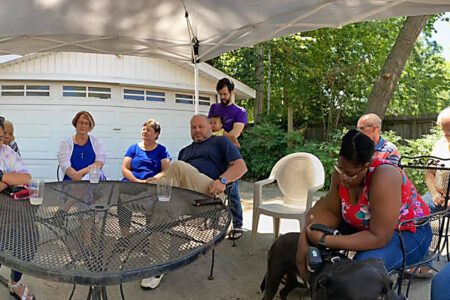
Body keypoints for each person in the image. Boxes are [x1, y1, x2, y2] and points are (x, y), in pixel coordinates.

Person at [295, 129, 431, 284]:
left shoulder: (384, 176)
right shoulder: (341, 172)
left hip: (408, 231)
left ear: (366, 167)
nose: (343, 178)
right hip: (366, 227)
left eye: (351, 174)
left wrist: (325, 240)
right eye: (340, 169)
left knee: (363, 268)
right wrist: (304, 238)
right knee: (311, 235)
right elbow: (327, 211)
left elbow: (379, 237)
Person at [120, 119, 171, 290]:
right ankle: (125, 237)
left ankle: (151, 238)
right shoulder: (133, 148)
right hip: (132, 183)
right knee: (121, 199)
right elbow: (125, 168)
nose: (145, 132)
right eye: (143, 129)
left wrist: (153, 179)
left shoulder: (162, 150)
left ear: (156, 134)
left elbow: (166, 171)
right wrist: (134, 180)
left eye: (149, 130)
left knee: (154, 205)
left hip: (151, 186)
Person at [165, 114, 247, 200]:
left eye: (201, 127)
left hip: (211, 190)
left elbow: (241, 166)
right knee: (154, 183)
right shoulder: (184, 151)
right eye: (193, 127)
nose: (197, 130)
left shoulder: (220, 141)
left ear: (210, 128)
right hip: (187, 195)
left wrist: (222, 181)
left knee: (177, 166)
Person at [0, 117, 35, 300]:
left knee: (28, 237)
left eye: (0, 137)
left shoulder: (7, 151)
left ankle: (14, 283)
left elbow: (26, 178)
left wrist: (2, 177)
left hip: (11, 209)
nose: (1, 141)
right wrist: (10, 180)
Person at [208, 78, 247, 239]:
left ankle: (237, 225)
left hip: (230, 158)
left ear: (232, 92)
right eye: (220, 94)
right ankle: (214, 221)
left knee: (232, 193)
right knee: (212, 189)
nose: (222, 97)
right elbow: (208, 128)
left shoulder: (240, 112)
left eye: (225, 94)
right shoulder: (214, 108)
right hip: (213, 154)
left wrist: (219, 132)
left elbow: (234, 135)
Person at [57, 111, 106, 181]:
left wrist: (81, 174)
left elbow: (99, 162)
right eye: (81, 122)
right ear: (75, 124)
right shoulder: (65, 143)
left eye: (86, 123)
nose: (83, 126)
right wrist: (76, 178)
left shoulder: (97, 142)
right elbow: (65, 165)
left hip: (91, 182)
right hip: (71, 181)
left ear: (90, 127)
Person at [424, 107, 450, 213]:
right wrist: (434, 193)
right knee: (416, 210)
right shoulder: (440, 144)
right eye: (444, 130)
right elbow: (429, 173)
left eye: (449, 130)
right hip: (438, 196)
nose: (446, 135)